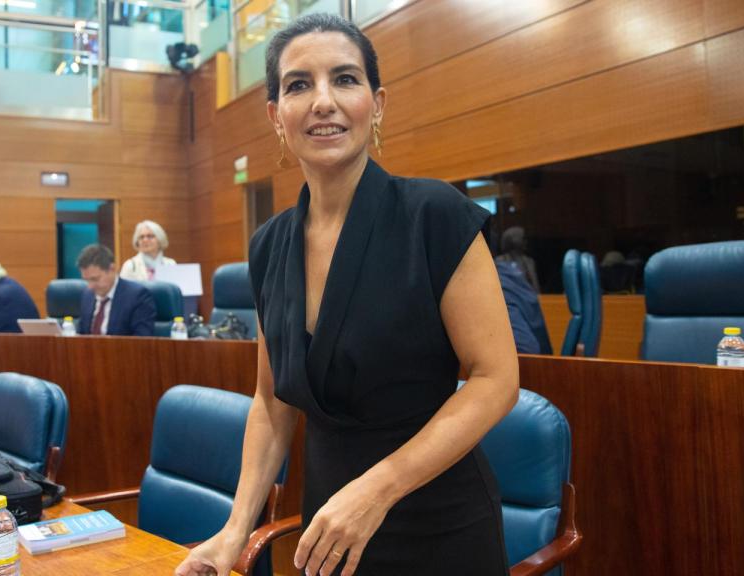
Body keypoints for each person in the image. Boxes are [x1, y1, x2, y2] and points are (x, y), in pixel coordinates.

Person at [177, 14, 519, 576]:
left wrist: (375, 491)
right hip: (328, 529)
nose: (323, 101)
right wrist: (234, 531)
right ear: (276, 116)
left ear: (376, 103)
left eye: (345, 79)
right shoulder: (268, 246)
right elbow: (271, 401)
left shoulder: (433, 215)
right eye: (298, 85)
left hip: (436, 521)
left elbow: (495, 380)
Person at [76, 244, 156, 336]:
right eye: (86, 280)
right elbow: (81, 335)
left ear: (112, 269)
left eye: (95, 279)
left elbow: (141, 342)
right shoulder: (87, 295)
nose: (90, 286)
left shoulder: (138, 296)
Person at [495, 258, 553, 354]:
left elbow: (525, 349)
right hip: (544, 361)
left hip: (534, 365)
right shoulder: (508, 271)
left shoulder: (497, 284)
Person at [496, 226, 541, 293]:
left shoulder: (529, 261)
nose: (526, 242)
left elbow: (535, 286)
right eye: (523, 239)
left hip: (527, 299)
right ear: (514, 240)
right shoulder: (499, 261)